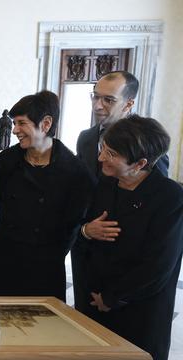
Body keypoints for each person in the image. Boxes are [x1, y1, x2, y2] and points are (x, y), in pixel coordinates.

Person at [80, 115, 182, 360]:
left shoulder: (170, 198)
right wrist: (86, 230)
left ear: (140, 163)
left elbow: (159, 266)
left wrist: (113, 297)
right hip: (94, 303)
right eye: (103, 148)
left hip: (138, 312)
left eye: (112, 154)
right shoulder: (104, 184)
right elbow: (78, 231)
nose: (101, 158)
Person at [72, 70, 169, 312]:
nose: (97, 105)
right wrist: (84, 230)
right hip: (88, 249)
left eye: (108, 99)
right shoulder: (86, 138)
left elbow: (152, 214)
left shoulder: (147, 145)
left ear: (128, 104)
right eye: (95, 97)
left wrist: (116, 294)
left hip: (125, 266)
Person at [0, 90, 93, 301]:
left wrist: (50, 256)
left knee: (42, 328)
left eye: (21, 123)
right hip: (5, 258)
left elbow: (73, 225)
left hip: (44, 265)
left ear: (45, 124)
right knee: (3, 327)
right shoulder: (6, 161)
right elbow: (5, 211)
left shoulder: (74, 171)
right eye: (14, 123)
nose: (14, 130)